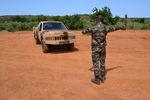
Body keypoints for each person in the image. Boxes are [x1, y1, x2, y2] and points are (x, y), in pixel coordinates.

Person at [89, 15, 125, 85]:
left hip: (95, 48)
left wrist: (87, 27)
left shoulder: (93, 28)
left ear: (97, 20)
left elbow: (83, 31)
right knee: (102, 62)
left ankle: (97, 79)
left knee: (95, 63)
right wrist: (120, 27)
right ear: (102, 20)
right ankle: (102, 77)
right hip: (103, 48)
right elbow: (114, 28)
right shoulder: (105, 27)